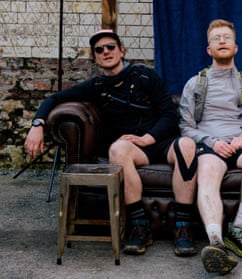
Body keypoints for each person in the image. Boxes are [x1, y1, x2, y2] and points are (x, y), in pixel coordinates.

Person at [24, 29, 198, 257]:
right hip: (132, 149)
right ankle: (139, 226)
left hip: (161, 143)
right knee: (117, 148)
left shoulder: (146, 76)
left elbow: (169, 114)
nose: (106, 51)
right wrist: (38, 124)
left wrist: (148, 137)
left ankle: (183, 228)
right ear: (95, 58)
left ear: (121, 50)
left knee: (187, 145)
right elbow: (55, 98)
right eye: (99, 50)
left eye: (110, 47)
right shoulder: (96, 86)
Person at [179, 19, 242, 275]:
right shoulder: (195, 84)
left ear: (236, 47)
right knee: (207, 169)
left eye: (227, 38)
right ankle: (216, 244)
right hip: (211, 147)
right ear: (208, 49)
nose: (222, 41)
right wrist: (211, 142)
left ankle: (238, 229)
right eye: (216, 39)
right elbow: (186, 128)